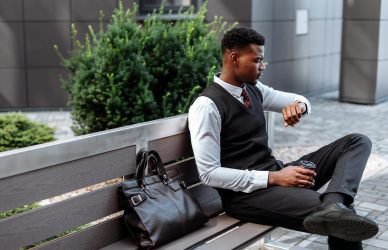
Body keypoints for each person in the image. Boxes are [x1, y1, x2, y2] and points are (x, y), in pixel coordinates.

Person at [188, 27, 379, 250]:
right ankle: (333, 210)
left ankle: (334, 202)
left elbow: (300, 100)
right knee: (343, 222)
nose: (262, 67)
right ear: (234, 58)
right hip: (246, 197)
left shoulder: (254, 89)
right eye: (257, 60)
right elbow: (209, 174)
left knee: (357, 141)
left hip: (279, 175)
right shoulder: (206, 107)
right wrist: (275, 178)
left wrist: (299, 107)